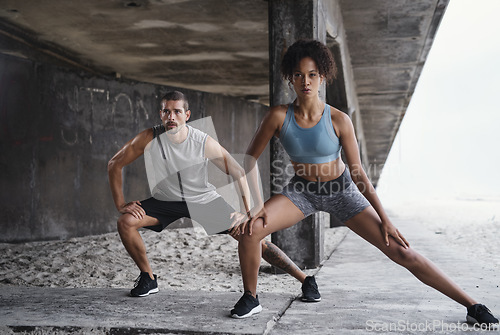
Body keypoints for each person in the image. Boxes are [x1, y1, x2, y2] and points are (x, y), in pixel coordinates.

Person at [230, 39, 499, 327]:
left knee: (401, 251)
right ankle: (251, 297)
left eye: (312, 75)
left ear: (322, 77)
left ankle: (472, 304)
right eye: (298, 75)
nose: (305, 81)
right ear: (290, 78)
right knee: (250, 231)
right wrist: (256, 205)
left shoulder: (339, 119)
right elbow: (248, 160)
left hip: (342, 191)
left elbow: (358, 173)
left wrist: (386, 219)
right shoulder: (278, 116)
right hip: (302, 192)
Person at [107, 90, 320, 306]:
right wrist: (120, 203)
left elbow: (237, 171)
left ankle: (305, 280)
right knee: (126, 222)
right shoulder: (149, 137)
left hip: (202, 200)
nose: (171, 117)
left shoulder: (201, 141)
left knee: (252, 235)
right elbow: (115, 163)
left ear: (187, 115)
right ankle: (148, 278)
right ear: (160, 114)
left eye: (177, 112)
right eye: (166, 112)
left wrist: (247, 212)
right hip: (165, 201)